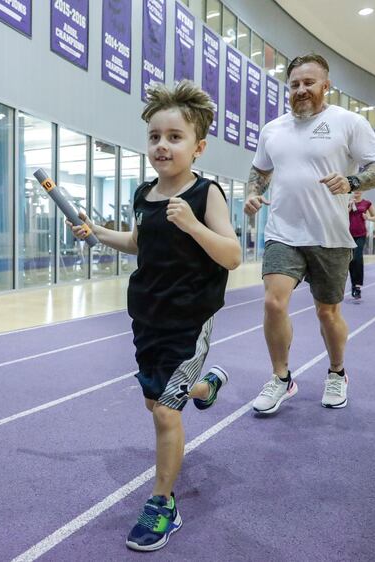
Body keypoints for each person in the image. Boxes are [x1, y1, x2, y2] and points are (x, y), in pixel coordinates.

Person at [70, 80, 241, 552]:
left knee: (165, 412)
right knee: (157, 400)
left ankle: (163, 503)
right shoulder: (144, 193)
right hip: (147, 316)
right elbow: (139, 242)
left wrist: (191, 223)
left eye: (174, 137)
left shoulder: (207, 195)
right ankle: (205, 388)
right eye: (154, 137)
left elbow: (232, 256)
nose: (162, 145)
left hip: (190, 319)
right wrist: (97, 231)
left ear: (198, 146)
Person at [245, 54, 375, 413]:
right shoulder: (272, 130)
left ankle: (337, 372)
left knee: (327, 313)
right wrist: (251, 193)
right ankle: (281, 378)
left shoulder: (348, 123)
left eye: (309, 83)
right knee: (273, 302)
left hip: (330, 236)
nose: (301, 90)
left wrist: (352, 180)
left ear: (326, 86)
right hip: (283, 231)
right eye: (294, 84)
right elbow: (259, 172)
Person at [347, 191, 375, 299]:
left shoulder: (367, 203)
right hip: (348, 235)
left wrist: (367, 218)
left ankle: (358, 287)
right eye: (355, 189)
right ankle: (354, 285)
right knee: (350, 260)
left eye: (359, 189)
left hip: (361, 235)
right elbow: (341, 216)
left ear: (362, 191)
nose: (357, 191)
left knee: (357, 258)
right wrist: (349, 206)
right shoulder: (347, 202)